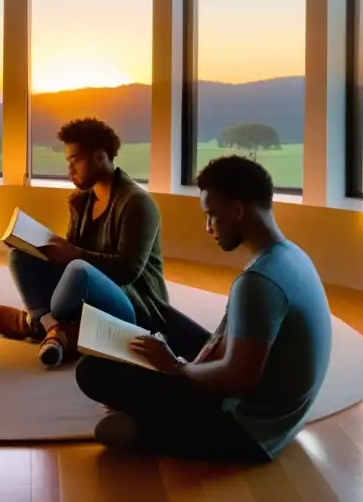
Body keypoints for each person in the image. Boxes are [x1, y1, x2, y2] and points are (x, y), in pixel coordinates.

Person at [75, 155, 333, 463]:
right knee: (159, 316)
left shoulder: (258, 283)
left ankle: (150, 430)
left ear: (237, 211)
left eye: (212, 215)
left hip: (243, 432)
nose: (208, 227)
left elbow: (239, 380)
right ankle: (147, 419)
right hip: (276, 418)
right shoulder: (290, 255)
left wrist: (176, 367)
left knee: (92, 371)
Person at [0, 117, 169, 367]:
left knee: (78, 271)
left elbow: (128, 271)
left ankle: (41, 325)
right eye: (68, 161)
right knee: (20, 256)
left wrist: (74, 255)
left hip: (134, 305)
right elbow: (69, 264)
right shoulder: (81, 201)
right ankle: (57, 330)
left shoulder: (136, 203)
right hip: (87, 297)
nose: (69, 170)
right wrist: (39, 249)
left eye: (75, 160)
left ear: (100, 156)